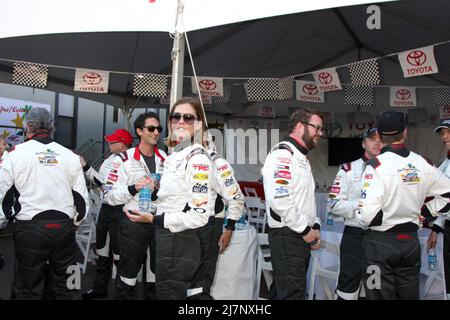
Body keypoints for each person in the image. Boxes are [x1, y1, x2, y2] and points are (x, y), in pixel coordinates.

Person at [125, 97, 213, 299]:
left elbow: (199, 215)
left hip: (179, 241)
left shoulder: (197, 157)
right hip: (166, 238)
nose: (180, 121)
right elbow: (172, 198)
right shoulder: (174, 155)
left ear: (198, 124)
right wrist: (155, 191)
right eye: (176, 117)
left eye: (188, 117)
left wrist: (154, 219)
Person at [356, 110, 450, 300]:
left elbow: (365, 216)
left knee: (378, 296)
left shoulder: (375, 165)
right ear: (405, 133)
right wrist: (424, 212)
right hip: (410, 243)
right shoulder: (423, 163)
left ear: (380, 136)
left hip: (380, 243)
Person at [0, 107, 89, 300]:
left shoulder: (14, 154)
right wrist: (74, 224)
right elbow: (82, 202)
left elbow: (2, 196)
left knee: (27, 288)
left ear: (27, 127)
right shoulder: (70, 156)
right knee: (69, 286)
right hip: (64, 230)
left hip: (29, 230)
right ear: (52, 128)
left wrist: (4, 222)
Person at [103, 113, 166, 300]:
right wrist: (133, 188)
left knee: (155, 275)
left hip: (157, 221)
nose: (156, 132)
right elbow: (108, 196)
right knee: (128, 276)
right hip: (132, 223)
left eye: (159, 129)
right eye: (151, 128)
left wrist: (160, 189)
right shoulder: (123, 158)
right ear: (139, 131)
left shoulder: (165, 158)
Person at [262, 108, 323, 300]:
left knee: (283, 292)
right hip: (288, 235)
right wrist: (306, 231)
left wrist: (315, 227)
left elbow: (305, 201)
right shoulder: (283, 154)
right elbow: (280, 200)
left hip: (297, 235)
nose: (320, 133)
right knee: (292, 294)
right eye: (317, 128)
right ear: (299, 126)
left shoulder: (300, 156)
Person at [328, 127, 381, 300]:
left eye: (380, 139)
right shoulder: (348, 169)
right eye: (372, 139)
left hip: (380, 237)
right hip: (354, 236)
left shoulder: (391, 170)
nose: (377, 142)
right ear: (363, 143)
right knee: (348, 289)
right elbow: (333, 204)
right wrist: (361, 205)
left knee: (375, 288)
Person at [187, 146, 245, 299]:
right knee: (187, 278)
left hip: (209, 225)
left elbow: (236, 197)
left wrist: (229, 228)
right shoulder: (178, 158)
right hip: (185, 224)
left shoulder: (216, 160)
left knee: (200, 282)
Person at [81, 128, 133, 300]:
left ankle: (121, 294)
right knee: (102, 252)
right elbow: (101, 182)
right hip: (105, 210)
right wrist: (86, 167)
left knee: (119, 255)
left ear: (123, 144)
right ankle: (99, 289)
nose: (109, 143)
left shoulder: (131, 160)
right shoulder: (109, 159)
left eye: (113, 141)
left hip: (120, 211)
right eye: (110, 141)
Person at [426, 118, 450, 300]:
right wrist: (436, 228)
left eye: (448, 133)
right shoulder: (444, 164)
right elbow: (444, 201)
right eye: (442, 134)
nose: (444, 137)